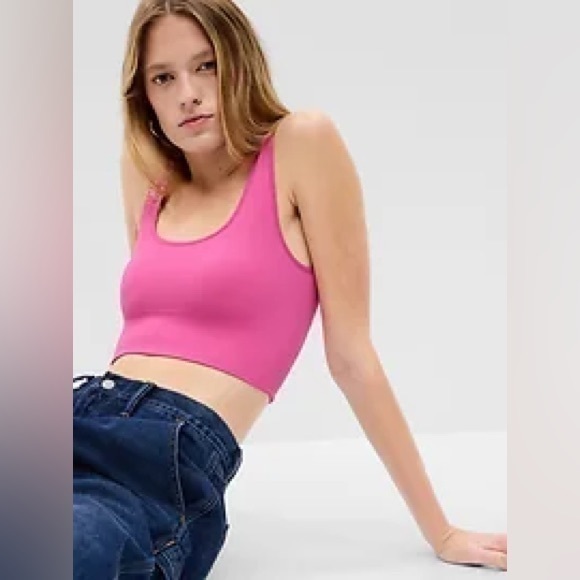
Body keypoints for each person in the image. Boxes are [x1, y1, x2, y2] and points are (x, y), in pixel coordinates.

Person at [73, 0, 508, 577]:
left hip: (165, 452)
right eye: (163, 78)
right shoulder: (148, 174)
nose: (188, 94)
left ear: (240, 61)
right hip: (80, 409)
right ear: (143, 96)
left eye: (207, 66)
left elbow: (352, 357)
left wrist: (442, 531)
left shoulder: (302, 145)